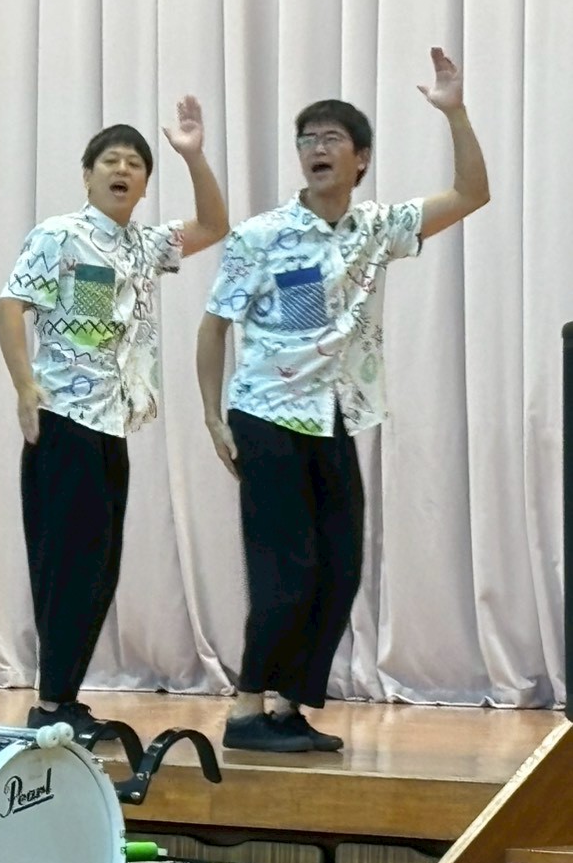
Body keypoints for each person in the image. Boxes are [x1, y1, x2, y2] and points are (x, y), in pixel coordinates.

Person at [196, 48, 490, 753]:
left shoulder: (377, 229)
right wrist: (212, 416)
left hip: (336, 415)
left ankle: (289, 706)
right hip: (265, 414)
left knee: (340, 564)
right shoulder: (261, 236)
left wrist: (453, 112)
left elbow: (472, 192)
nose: (315, 150)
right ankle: (244, 712)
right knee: (283, 565)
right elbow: (212, 329)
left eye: (330, 140)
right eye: (306, 140)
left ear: (359, 160)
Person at [0, 99, 229, 731]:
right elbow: (10, 307)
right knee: (65, 562)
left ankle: (63, 697)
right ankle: (50, 703)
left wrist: (192, 154)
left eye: (134, 163)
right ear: (87, 174)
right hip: (63, 421)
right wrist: (24, 389)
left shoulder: (144, 245)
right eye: (110, 161)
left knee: (100, 567)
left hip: (113, 424)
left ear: (145, 183)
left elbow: (215, 224)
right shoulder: (60, 235)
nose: (122, 169)